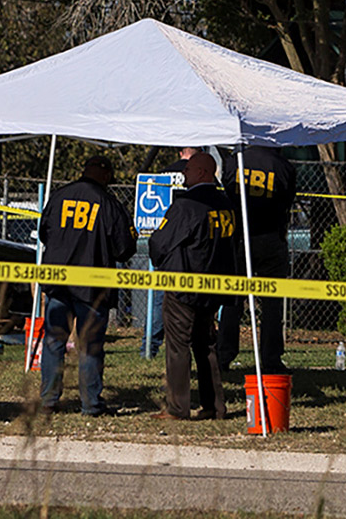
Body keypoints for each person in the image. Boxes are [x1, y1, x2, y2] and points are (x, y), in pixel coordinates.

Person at [37, 154, 137, 416]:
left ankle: (48, 400)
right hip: (93, 286)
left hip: (58, 280)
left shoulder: (59, 196)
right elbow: (124, 249)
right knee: (90, 345)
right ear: (105, 175)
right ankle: (91, 404)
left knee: (53, 341)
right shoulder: (109, 203)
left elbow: (43, 232)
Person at [148, 152, 237, 420]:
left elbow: (160, 243)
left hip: (184, 284)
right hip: (214, 286)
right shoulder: (226, 204)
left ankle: (177, 407)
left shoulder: (186, 205)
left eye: (188, 169)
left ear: (202, 173)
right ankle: (214, 406)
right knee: (206, 346)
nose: (183, 173)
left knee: (178, 346)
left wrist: (160, 259)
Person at [217, 144, 297, 371]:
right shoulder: (284, 167)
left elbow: (227, 193)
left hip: (240, 239)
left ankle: (224, 354)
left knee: (232, 301)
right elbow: (287, 202)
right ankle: (271, 358)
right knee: (272, 304)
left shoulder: (235, 160)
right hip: (271, 237)